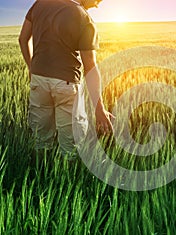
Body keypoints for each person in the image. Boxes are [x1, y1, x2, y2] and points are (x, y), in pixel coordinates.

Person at [19, 0, 114, 158]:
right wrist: (99, 109)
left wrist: (31, 68)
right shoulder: (84, 17)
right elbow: (90, 66)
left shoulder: (39, 4)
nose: (97, 5)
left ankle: (40, 175)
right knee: (72, 145)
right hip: (66, 83)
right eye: (97, 1)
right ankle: (67, 177)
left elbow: (23, 39)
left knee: (40, 140)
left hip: (38, 80)